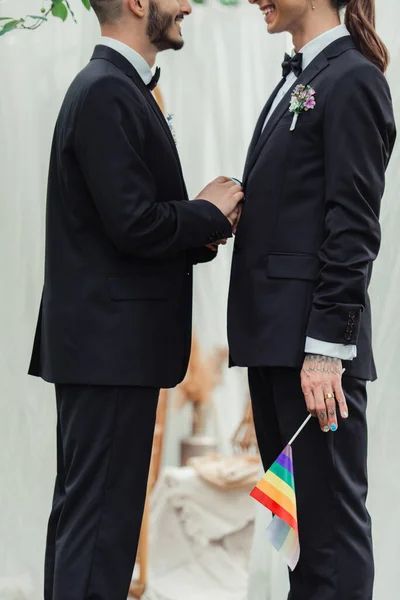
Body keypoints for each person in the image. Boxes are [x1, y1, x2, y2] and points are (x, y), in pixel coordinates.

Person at [28, 0, 243, 598]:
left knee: (88, 525)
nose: (187, 7)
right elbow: (132, 223)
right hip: (109, 353)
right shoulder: (106, 92)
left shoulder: (111, 87)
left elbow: (118, 230)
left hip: (105, 351)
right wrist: (208, 213)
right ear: (138, 3)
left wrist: (200, 231)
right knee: (98, 531)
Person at [228, 1, 396, 598]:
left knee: (330, 538)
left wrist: (328, 349)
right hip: (277, 350)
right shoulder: (298, 80)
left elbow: (353, 225)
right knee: (298, 539)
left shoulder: (354, 79)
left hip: (315, 356)